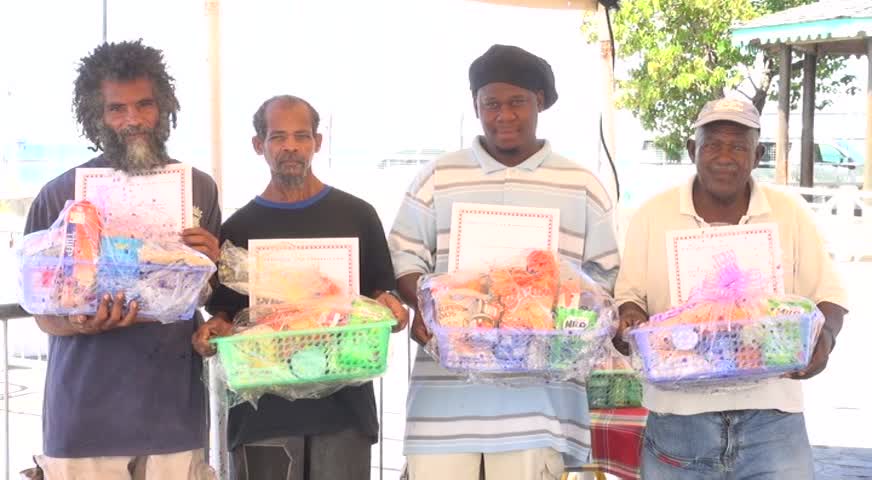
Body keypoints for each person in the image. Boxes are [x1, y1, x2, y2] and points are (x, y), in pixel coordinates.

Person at [388, 44, 621, 480]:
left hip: (539, 413)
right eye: (491, 104)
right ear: (475, 105)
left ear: (540, 102)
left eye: (517, 102)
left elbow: (605, 279)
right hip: (443, 411)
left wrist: (558, 310)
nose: (504, 115)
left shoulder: (582, 185)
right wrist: (428, 306)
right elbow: (403, 256)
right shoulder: (437, 177)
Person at [614, 97, 848, 479]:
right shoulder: (652, 215)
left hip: (773, 420)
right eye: (713, 145)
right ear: (692, 149)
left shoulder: (789, 213)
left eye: (739, 147)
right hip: (678, 420)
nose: (725, 157)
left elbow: (829, 296)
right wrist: (629, 320)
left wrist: (826, 338)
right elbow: (629, 298)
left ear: (757, 155)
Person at [23, 40, 221, 479]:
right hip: (84, 416)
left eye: (144, 104)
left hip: (174, 413)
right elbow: (42, 313)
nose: (133, 119)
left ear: (163, 106)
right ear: (96, 115)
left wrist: (208, 264)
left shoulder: (199, 189)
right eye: (117, 108)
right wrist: (78, 323)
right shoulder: (59, 196)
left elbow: (202, 297)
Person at [192, 94, 409, 480]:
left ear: (317, 142)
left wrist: (392, 310)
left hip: (345, 412)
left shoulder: (358, 215)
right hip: (261, 414)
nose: (290, 146)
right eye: (278, 137)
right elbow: (226, 313)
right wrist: (214, 330)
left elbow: (381, 294)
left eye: (301, 136)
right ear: (258, 145)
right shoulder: (237, 229)